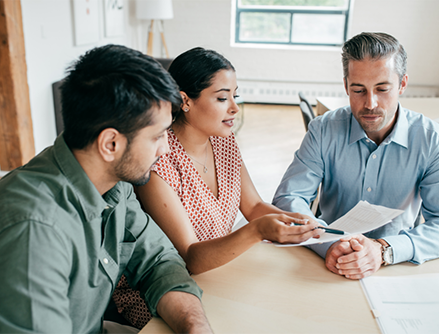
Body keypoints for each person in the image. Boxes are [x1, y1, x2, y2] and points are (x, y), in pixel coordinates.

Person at [0, 45, 213, 334]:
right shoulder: (31, 233)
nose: (166, 148)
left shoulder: (114, 183)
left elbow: (158, 260)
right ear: (110, 144)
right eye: (157, 136)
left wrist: (194, 326)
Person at [112, 47, 324, 327]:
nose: (234, 107)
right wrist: (259, 230)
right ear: (185, 101)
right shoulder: (158, 161)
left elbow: (254, 206)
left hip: (219, 275)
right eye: (223, 98)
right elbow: (191, 257)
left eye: (235, 95)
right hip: (160, 294)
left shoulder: (223, 141)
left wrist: (302, 224)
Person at [273, 32, 439, 280]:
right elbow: (288, 199)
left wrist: (383, 250)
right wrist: (326, 242)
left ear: (402, 84)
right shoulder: (323, 130)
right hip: (328, 261)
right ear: (346, 86)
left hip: (398, 266)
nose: (371, 103)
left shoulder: (433, 141)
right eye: (359, 90)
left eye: (383, 89)